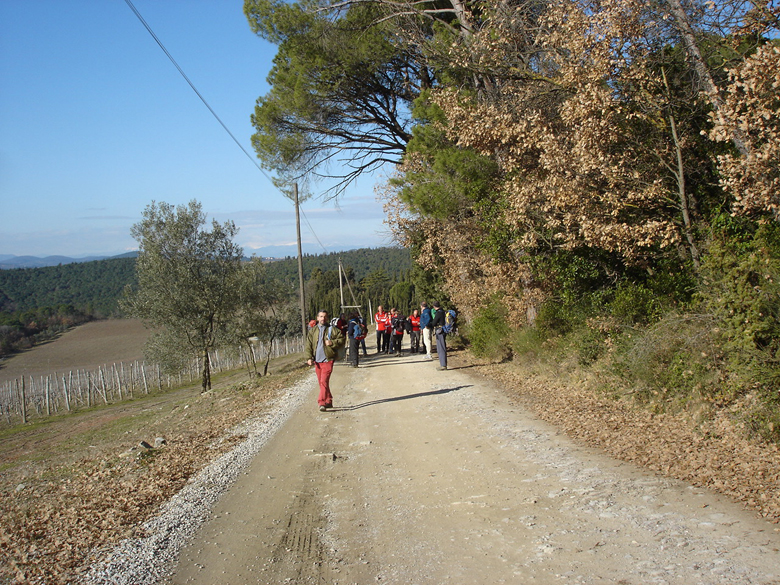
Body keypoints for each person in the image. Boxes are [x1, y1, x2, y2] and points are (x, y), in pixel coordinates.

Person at [306, 310, 346, 411]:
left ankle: (321, 402)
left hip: (328, 359)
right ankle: (328, 400)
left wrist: (332, 343)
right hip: (317, 361)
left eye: (324, 316)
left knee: (323, 381)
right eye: (321, 316)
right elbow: (308, 345)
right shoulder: (313, 331)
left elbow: (342, 339)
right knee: (322, 383)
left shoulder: (332, 329)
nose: (323, 318)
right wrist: (309, 357)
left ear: (327, 318)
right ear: (317, 318)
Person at [430, 301, 448, 370]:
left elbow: (434, 323)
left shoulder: (438, 313)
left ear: (434, 306)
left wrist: (429, 324)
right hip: (443, 330)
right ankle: (443, 364)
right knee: (442, 347)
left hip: (440, 331)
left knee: (441, 348)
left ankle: (443, 365)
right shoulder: (443, 311)